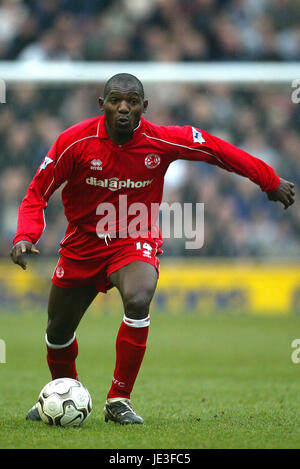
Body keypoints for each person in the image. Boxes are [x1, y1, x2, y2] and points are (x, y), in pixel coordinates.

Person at [10, 73, 295, 425]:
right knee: (57, 331)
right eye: (116, 100)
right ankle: (63, 393)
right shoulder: (74, 142)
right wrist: (26, 235)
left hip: (134, 237)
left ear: (145, 106)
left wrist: (269, 180)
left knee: (139, 298)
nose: (124, 108)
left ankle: (119, 399)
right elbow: (37, 192)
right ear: (102, 105)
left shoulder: (160, 140)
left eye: (132, 101)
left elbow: (216, 149)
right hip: (83, 243)